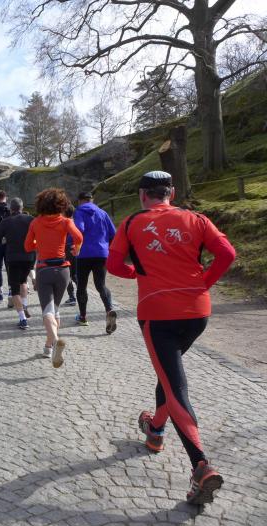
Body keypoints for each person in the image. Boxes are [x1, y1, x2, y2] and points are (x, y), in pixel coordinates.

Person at [107, 171, 235, 505]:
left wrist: (139, 273)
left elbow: (114, 265)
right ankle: (154, 431)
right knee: (167, 375)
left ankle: (201, 465)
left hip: (158, 313)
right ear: (172, 193)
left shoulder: (131, 223)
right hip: (197, 313)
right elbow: (227, 254)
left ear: (142, 195)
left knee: (175, 386)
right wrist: (203, 284)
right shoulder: (197, 219)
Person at [24, 188, 83, 368]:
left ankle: (56, 341)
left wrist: (39, 242)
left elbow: (27, 246)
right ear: (61, 204)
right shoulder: (66, 221)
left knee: (47, 312)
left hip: (44, 269)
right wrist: (76, 249)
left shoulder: (35, 223)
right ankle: (48, 348)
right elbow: (79, 237)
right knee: (55, 310)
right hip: (63, 270)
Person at [73, 191, 118, 333]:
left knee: (81, 285)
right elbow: (113, 234)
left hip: (83, 254)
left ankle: (83, 317)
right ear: (92, 200)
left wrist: (71, 244)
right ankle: (109, 309)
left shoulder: (79, 212)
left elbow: (79, 230)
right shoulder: (103, 213)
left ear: (80, 200)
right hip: (102, 254)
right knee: (101, 285)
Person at [0, 198, 35, 330]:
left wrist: (5, 241)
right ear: (22, 208)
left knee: (14, 289)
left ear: (11, 209)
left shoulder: (5, 221)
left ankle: (23, 319)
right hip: (29, 256)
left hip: (12, 257)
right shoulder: (30, 219)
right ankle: (25, 304)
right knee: (23, 281)